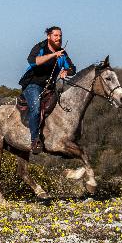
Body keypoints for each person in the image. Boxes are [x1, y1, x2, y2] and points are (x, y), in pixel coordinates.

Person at [19, 26, 76, 154]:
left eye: (60, 36)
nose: (59, 38)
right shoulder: (40, 47)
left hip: (50, 87)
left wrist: (66, 71)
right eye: (56, 35)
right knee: (36, 107)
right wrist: (52, 55)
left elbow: (73, 68)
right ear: (48, 36)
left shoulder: (62, 53)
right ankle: (35, 141)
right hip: (32, 84)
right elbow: (33, 61)